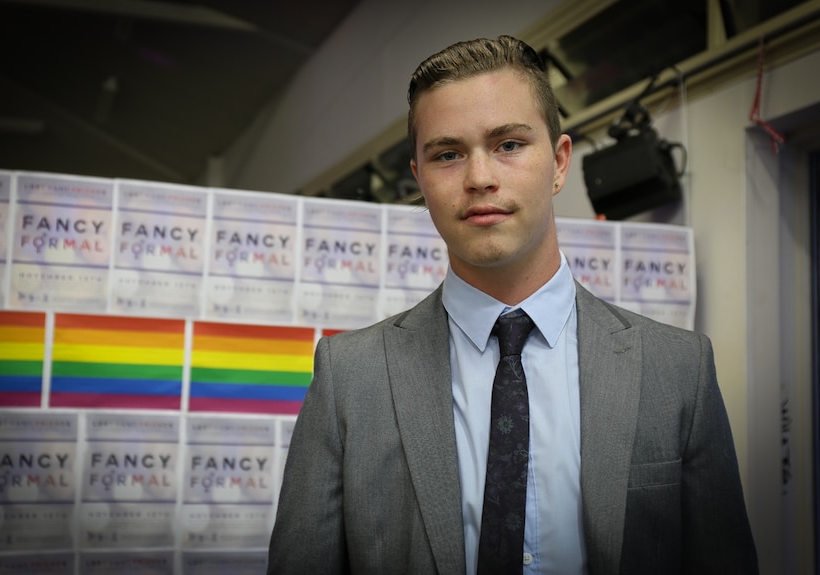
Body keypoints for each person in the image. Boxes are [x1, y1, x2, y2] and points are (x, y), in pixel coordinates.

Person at [268, 35, 758, 575]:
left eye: (508, 144)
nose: (480, 178)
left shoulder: (677, 368)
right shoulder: (349, 379)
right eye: (448, 154)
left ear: (559, 162)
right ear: (420, 179)